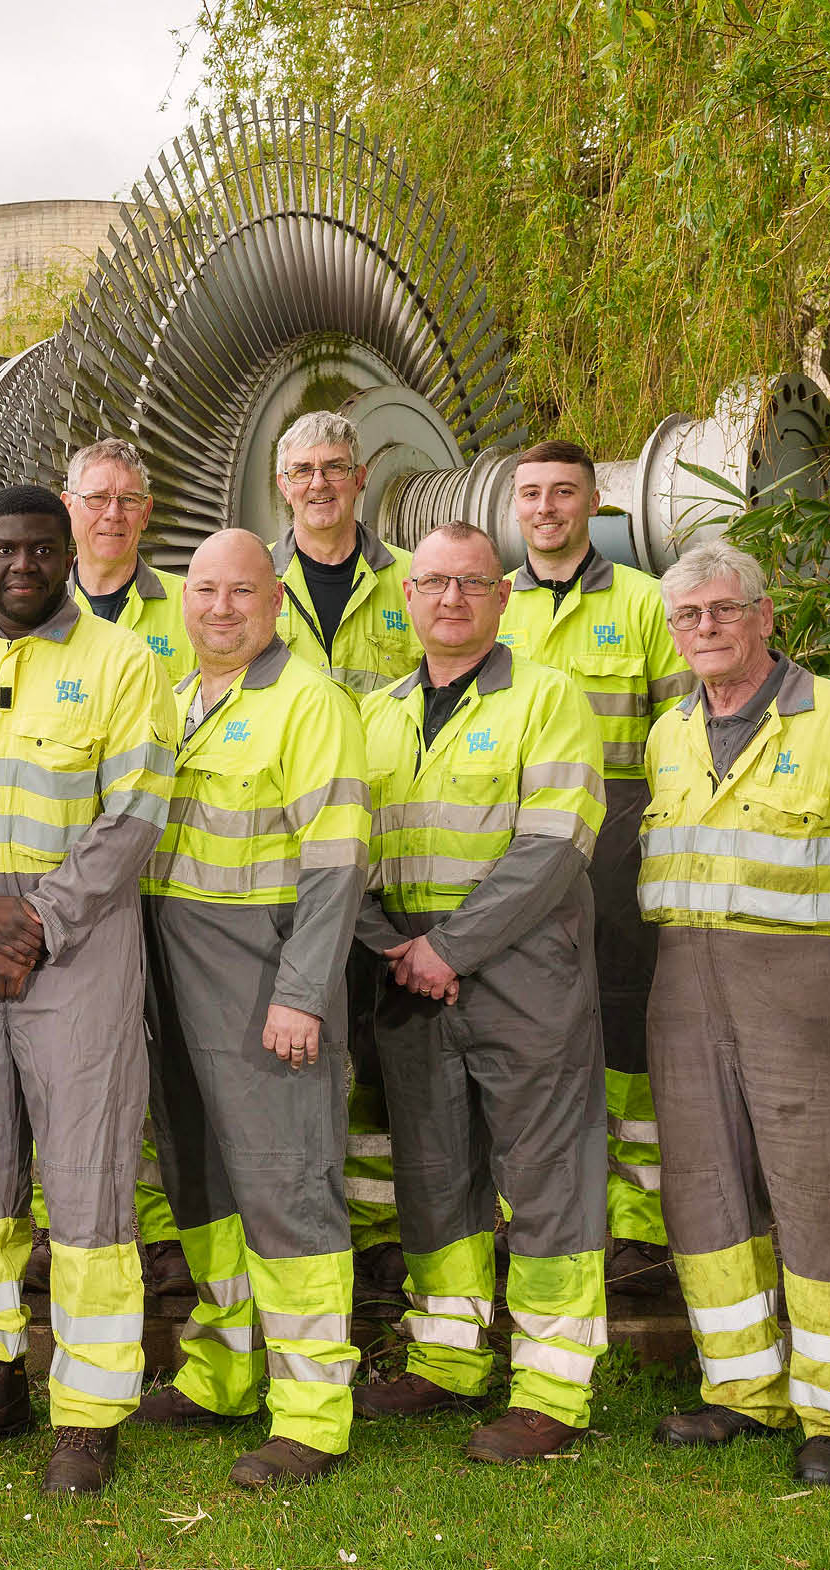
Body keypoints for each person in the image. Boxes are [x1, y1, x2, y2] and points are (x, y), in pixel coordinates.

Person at [0, 486, 177, 1497]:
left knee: (89, 1180)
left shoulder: (123, 661)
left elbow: (137, 808)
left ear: (67, 554)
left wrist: (40, 920)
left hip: (79, 955)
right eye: (6, 547)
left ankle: (89, 1412)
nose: (23, 564)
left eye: (42, 548)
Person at [637, 542, 830, 1488]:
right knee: (704, 1185)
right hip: (685, 983)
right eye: (689, 617)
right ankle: (741, 1389)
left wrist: (823, 939)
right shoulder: (669, 730)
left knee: (826, 1184)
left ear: (765, 617)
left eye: (723, 610)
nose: (706, 629)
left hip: (809, 987)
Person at [351, 522, 609, 1462]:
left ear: (503, 597)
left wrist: (449, 947)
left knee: (546, 1175)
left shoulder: (549, 698)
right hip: (408, 976)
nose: (450, 600)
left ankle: (550, 1390)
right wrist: (396, 946)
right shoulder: (374, 714)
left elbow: (553, 847)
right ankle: (450, 1358)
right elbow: (342, 852)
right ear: (407, 600)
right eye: (432, 584)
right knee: (433, 1169)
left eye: (471, 583)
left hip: (522, 971)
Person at [128, 530, 367, 1486]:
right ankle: (223, 1369)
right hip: (174, 969)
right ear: (183, 602)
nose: (220, 608)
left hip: (263, 972)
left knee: (285, 1184)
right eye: (204, 591)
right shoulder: (182, 700)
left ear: (276, 603)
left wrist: (302, 992)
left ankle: (312, 1412)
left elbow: (337, 859)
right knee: (203, 1179)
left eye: (241, 592)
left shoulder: (308, 701)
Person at [496, 440, 694, 1296]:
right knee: (528, 1034)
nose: (546, 508)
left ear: (595, 502)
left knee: (626, 1036)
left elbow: (687, 733)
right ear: (515, 507)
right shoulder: (488, 602)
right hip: (515, 844)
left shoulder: (649, 602)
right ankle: (527, 1218)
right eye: (532, 494)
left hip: (620, 846)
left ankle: (639, 1230)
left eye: (563, 493)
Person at [263, 410, 423, 1288]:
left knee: (382, 1053)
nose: (319, 484)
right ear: (280, 484)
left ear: (362, 479)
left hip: (392, 856)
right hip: (287, 867)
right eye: (303, 471)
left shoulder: (409, 582)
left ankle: (379, 1236)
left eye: (335, 468)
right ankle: (307, 1225)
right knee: (297, 1049)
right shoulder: (252, 586)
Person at [58, 436, 194, 1301]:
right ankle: (69, 1222)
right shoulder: (28, 611)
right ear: (70, 506)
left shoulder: (192, 608)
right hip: (65, 891)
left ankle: (177, 1227)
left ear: (149, 512)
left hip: (170, 877)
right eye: (96, 498)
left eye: (128, 500)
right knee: (71, 1068)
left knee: (171, 1060)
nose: (112, 514)